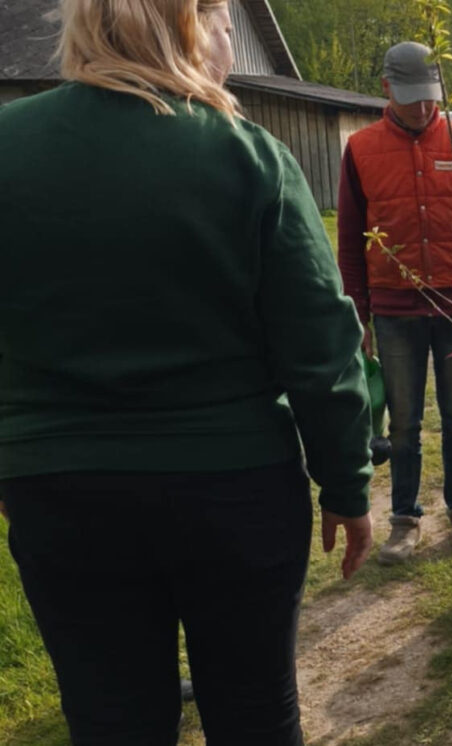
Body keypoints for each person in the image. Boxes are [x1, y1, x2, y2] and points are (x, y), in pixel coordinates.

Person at [0, 0, 374, 741]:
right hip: (233, 490)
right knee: (255, 712)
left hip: (61, 493)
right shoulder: (246, 154)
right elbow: (320, 343)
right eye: (226, 21)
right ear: (194, 24)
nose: (230, 38)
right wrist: (346, 484)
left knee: (110, 718)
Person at [337, 42, 452, 565]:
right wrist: (360, 316)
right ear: (386, 88)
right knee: (404, 422)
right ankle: (405, 520)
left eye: (431, 96)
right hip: (395, 311)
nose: (423, 107)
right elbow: (350, 240)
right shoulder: (360, 149)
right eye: (411, 97)